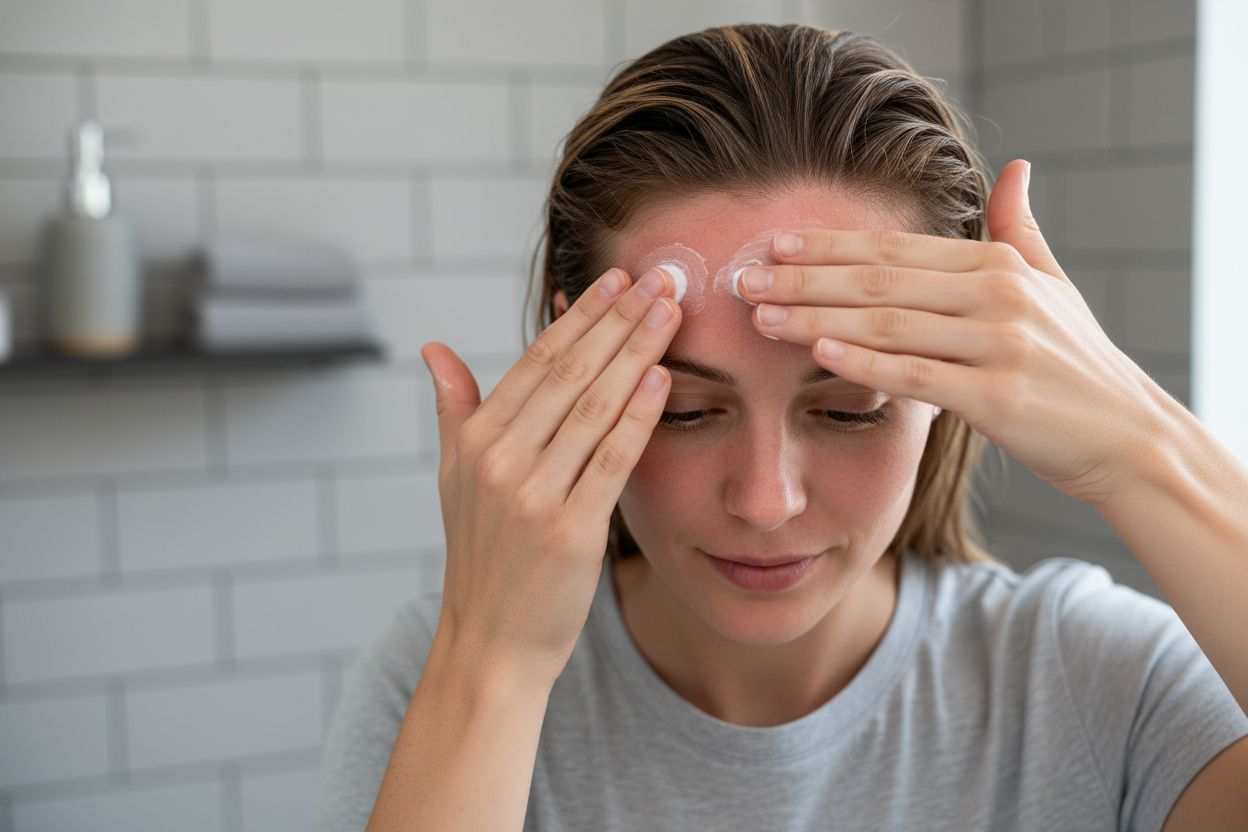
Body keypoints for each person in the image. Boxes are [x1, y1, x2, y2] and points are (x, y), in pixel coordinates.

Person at [313, 23, 1248, 831]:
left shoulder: (1099, 685)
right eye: (684, 411)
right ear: (572, 370)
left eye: (848, 410)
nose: (765, 501)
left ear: (952, 384)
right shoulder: (443, 680)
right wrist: (494, 669)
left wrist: (1147, 451)